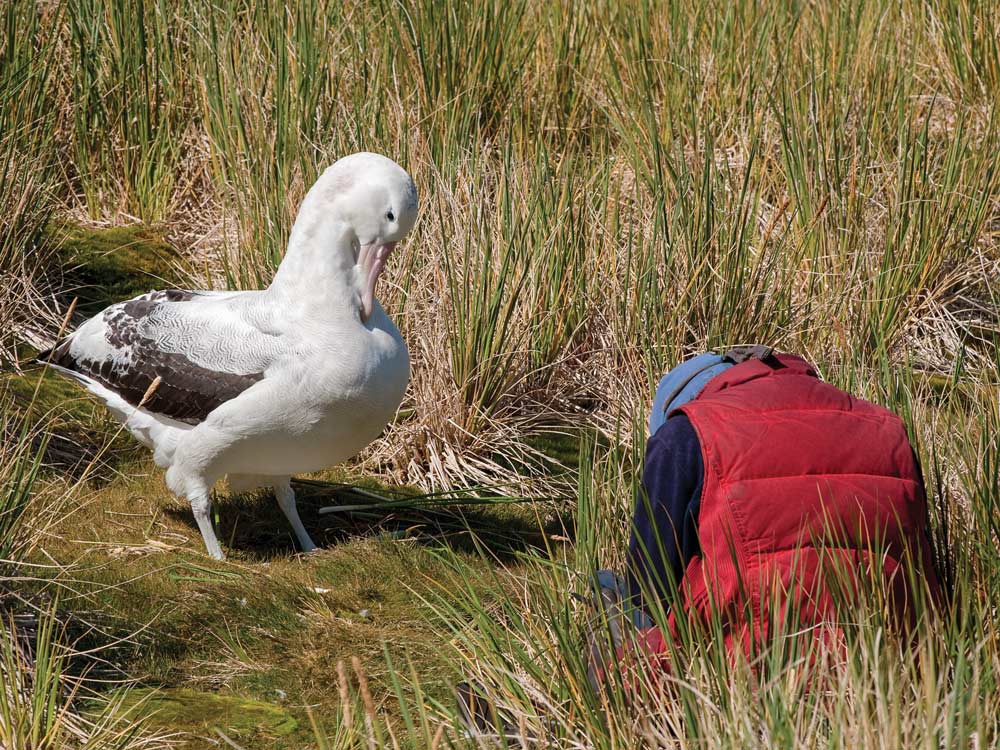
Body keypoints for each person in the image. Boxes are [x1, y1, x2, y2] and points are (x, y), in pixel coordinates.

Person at [589, 346, 942, 685]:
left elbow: (650, 595)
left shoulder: (683, 436)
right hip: (893, 668)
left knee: (609, 594)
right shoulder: (886, 426)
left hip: (747, 674)